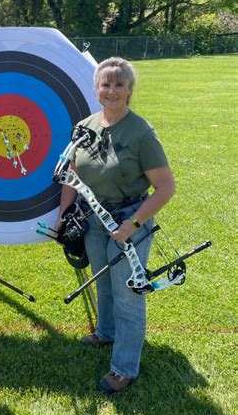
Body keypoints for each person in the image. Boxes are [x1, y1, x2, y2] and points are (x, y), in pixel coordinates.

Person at [57, 57, 175, 394]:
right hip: (94, 217)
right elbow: (71, 174)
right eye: (105, 84)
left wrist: (133, 224)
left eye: (119, 84)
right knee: (105, 283)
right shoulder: (86, 125)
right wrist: (65, 214)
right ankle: (106, 332)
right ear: (96, 90)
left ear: (129, 90)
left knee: (128, 295)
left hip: (129, 219)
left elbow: (165, 188)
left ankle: (124, 368)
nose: (112, 90)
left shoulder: (141, 132)